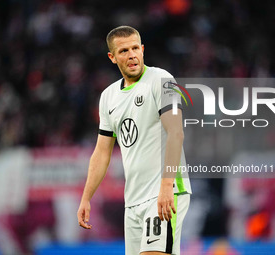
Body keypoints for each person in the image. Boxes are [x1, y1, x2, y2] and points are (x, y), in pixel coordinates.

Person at [77, 25, 191, 255]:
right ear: (112, 57)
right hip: (133, 201)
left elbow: (176, 132)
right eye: (123, 51)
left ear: (143, 49)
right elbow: (101, 152)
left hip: (164, 192)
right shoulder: (109, 96)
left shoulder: (161, 79)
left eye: (135, 48)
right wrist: (86, 197)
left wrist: (167, 186)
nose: (131, 55)